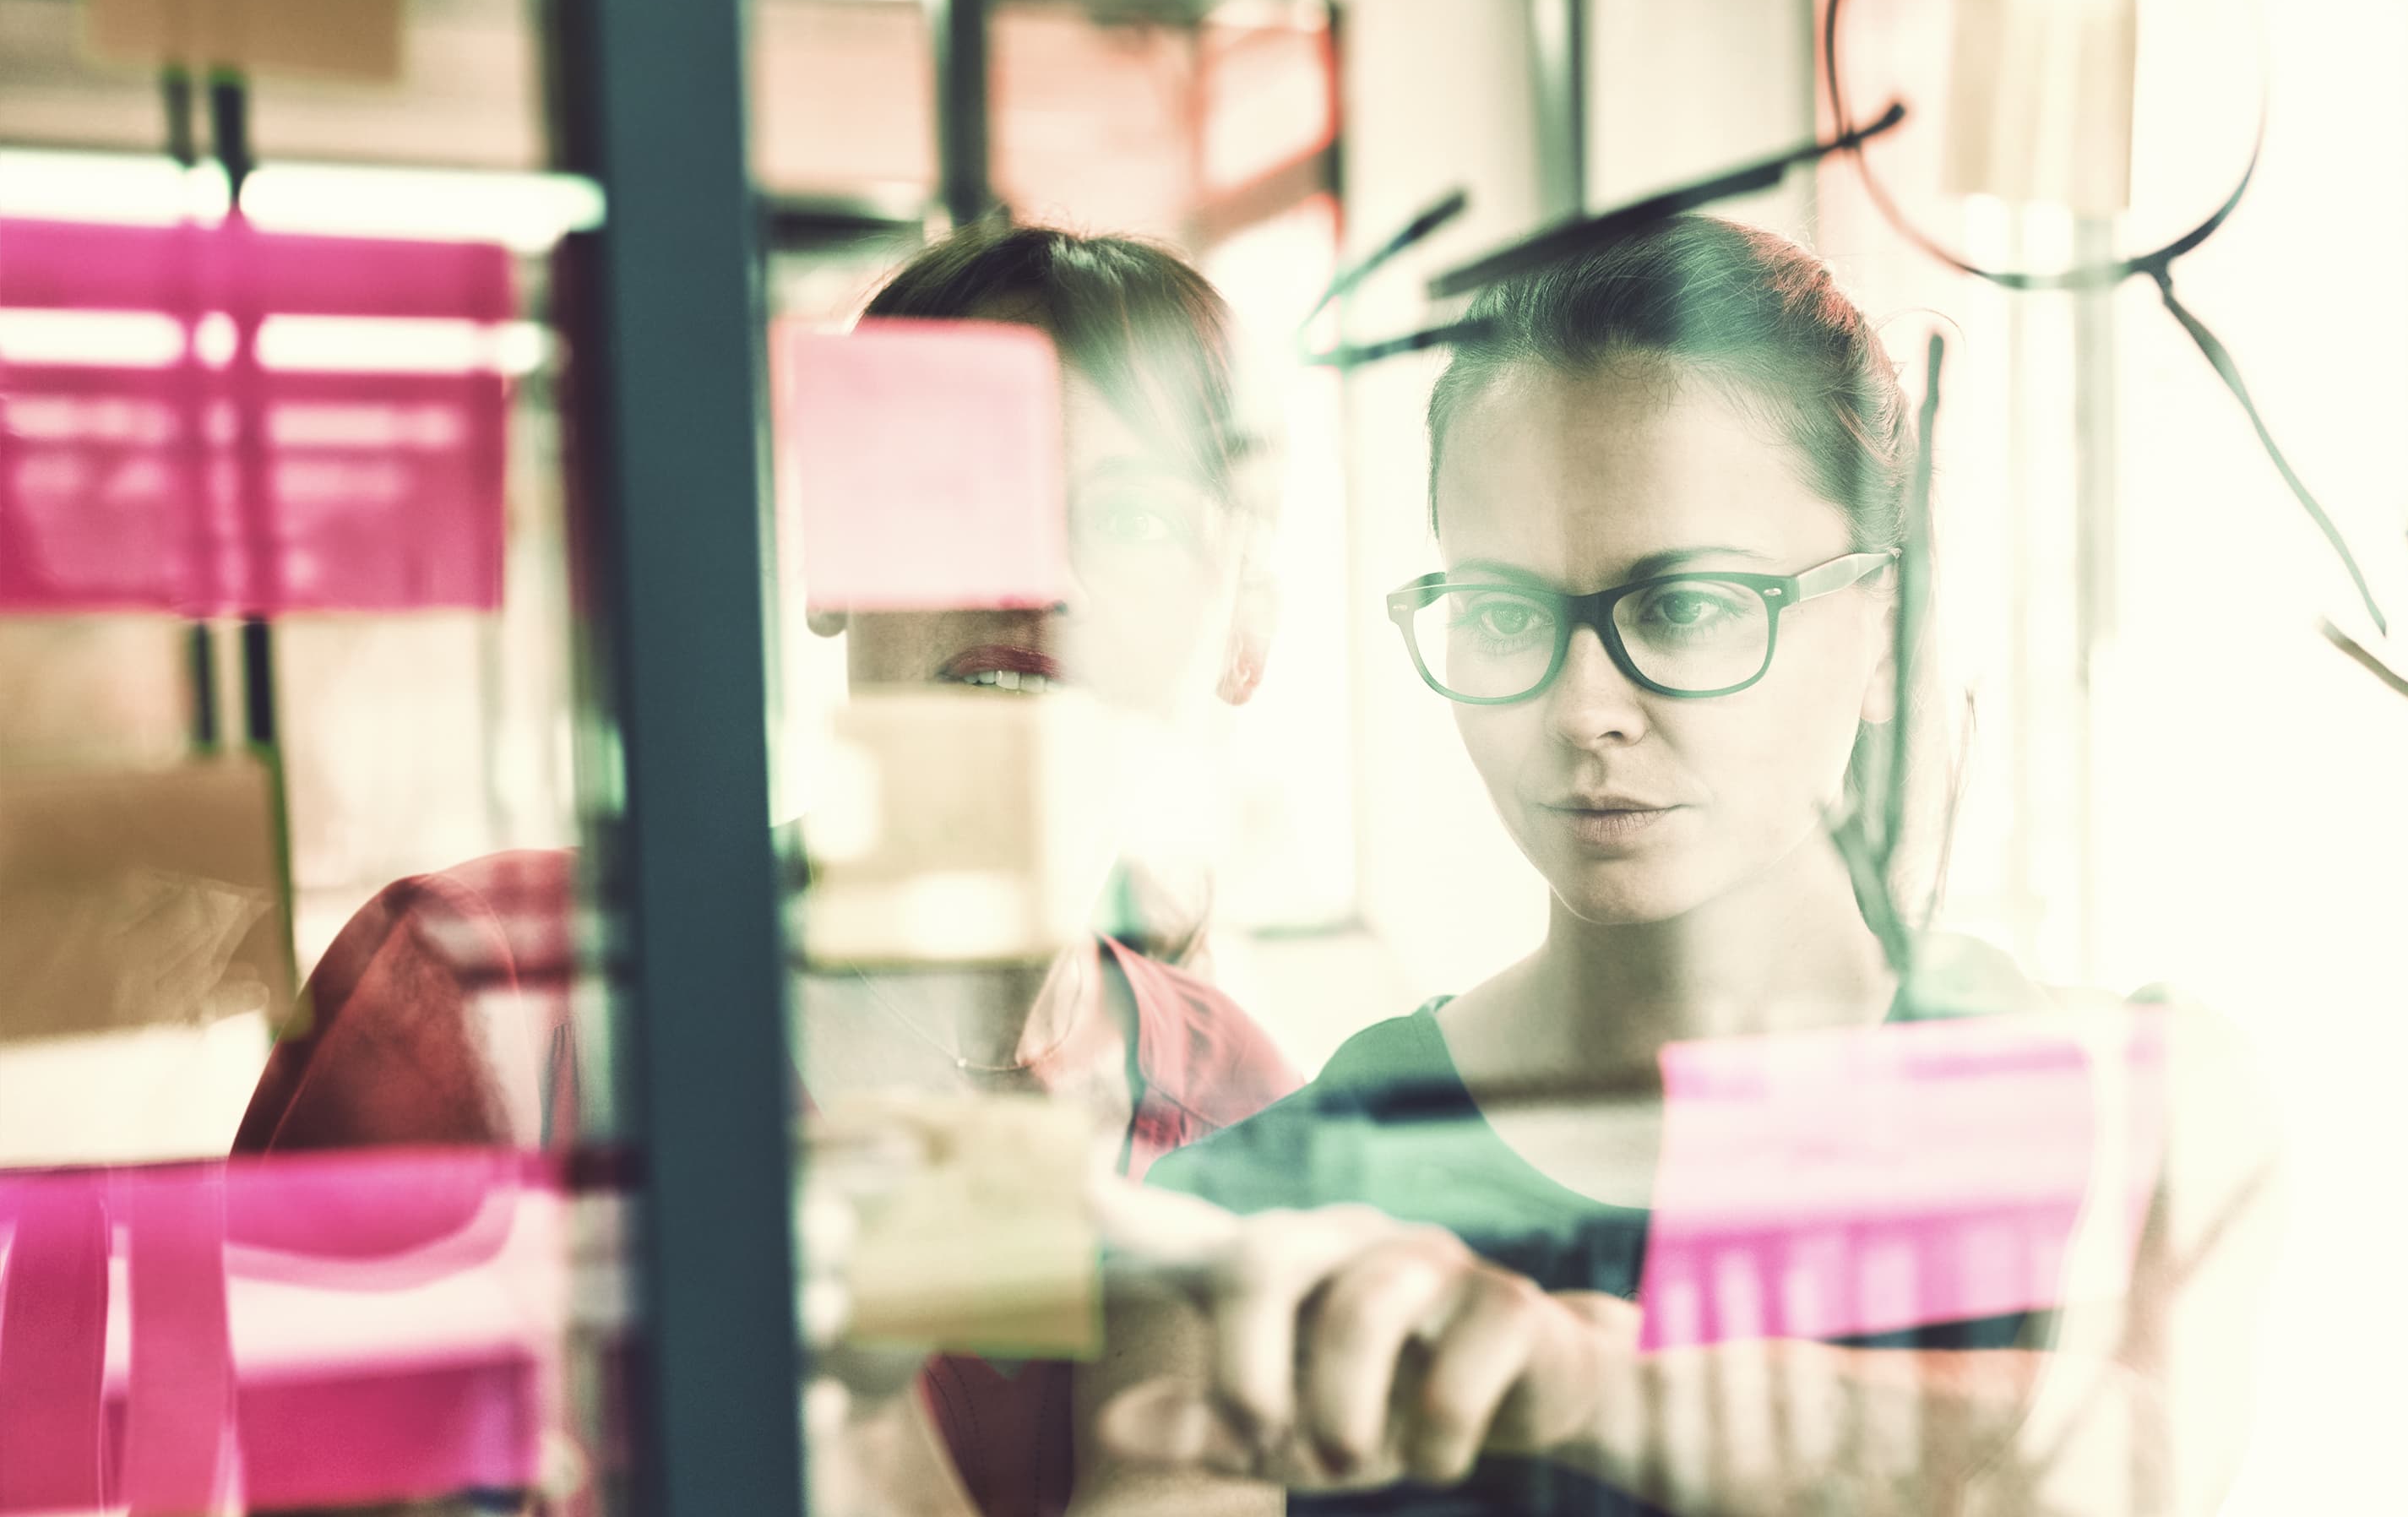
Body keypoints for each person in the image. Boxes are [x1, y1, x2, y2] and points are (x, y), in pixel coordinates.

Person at [1085, 216, 2283, 1514]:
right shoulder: (1268, 1219)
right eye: (1500, 614)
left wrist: (1591, 1382)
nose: (1582, 706)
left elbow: (2114, 1470)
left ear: (1888, 623)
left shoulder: (2144, 1119)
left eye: (1687, 607)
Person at [235, 223, 1307, 1517]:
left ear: (1246, 626)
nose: (1040, 575)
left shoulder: (1250, 1110)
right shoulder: (488, 989)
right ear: (835, 550)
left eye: (1130, 518)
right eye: (954, 481)